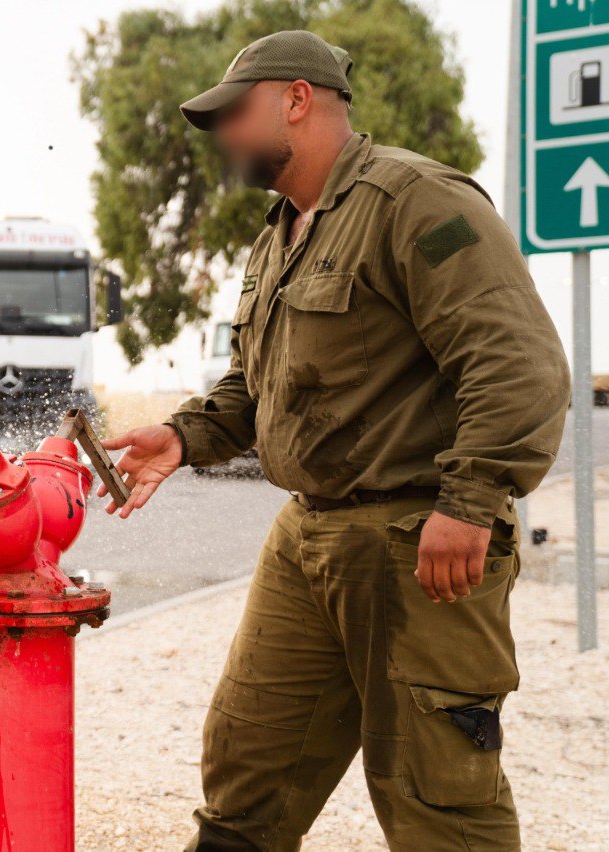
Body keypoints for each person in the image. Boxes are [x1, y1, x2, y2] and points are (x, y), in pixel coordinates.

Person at [98, 30, 571, 851]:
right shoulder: (274, 237)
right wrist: (183, 437)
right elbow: (259, 385)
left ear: (296, 100)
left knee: (438, 799)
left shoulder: (417, 201)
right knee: (246, 768)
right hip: (308, 536)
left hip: (419, 540)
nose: (222, 136)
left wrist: (469, 502)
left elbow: (518, 362)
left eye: (234, 114)